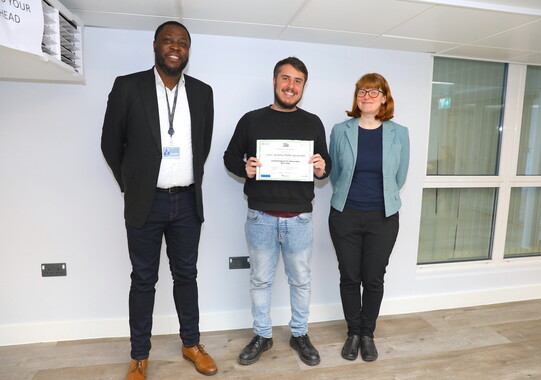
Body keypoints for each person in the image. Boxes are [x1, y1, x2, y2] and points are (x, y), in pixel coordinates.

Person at [101, 21, 217, 379]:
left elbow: (204, 144)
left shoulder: (202, 92)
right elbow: (110, 144)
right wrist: (133, 184)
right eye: (168, 40)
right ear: (155, 45)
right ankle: (139, 355)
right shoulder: (127, 87)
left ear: (187, 51)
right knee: (143, 280)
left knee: (187, 276)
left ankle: (191, 344)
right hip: (145, 203)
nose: (175, 47)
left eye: (182, 42)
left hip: (186, 203)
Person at [223, 57, 331, 367]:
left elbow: (325, 166)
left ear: (303, 87)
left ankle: (299, 334)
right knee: (260, 281)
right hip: (260, 217)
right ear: (274, 81)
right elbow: (230, 157)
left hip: (299, 218)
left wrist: (323, 169)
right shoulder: (251, 120)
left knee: (301, 281)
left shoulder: (313, 122)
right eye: (285, 78)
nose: (291, 86)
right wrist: (245, 168)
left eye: (298, 81)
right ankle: (263, 334)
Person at [328, 73, 409, 362]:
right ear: (356, 97)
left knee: (373, 278)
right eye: (362, 91)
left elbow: (399, 178)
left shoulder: (399, 133)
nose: (367, 96)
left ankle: (368, 334)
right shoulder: (341, 130)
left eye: (374, 92)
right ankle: (353, 333)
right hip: (345, 216)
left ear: (385, 98)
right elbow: (336, 173)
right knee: (349, 276)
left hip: (383, 218)